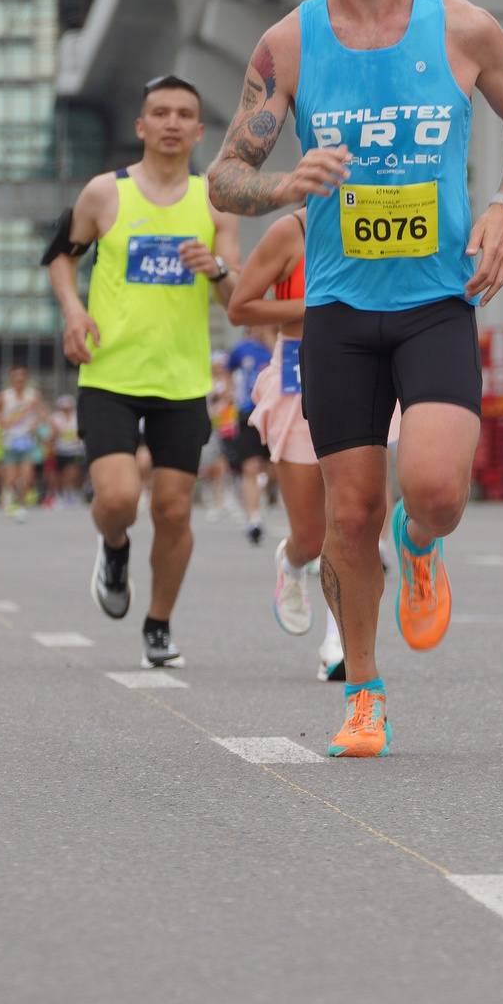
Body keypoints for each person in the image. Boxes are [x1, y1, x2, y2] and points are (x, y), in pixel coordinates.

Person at [206, 0, 503, 756]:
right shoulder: (287, 45)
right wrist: (284, 186)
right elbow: (224, 176)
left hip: (437, 298)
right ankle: (364, 693)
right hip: (341, 314)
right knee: (347, 519)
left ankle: (422, 541)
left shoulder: (464, 28)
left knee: (435, 491)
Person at [46, 76, 242, 670]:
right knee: (119, 499)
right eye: (160, 112)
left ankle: (158, 624)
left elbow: (237, 297)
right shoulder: (105, 193)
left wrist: (216, 268)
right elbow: (60, 256)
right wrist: (74, 311)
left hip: (182, 380)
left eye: (184, 113)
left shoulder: (214, 201)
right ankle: (113, 547)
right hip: (109, 373)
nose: (172, 122)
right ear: (141, 125)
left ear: (200, 130)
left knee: (174, 511)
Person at [228, 209, 344, 670]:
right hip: (298, 377)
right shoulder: (291, 231)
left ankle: (339, 643)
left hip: (360, 372)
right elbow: (241, 306)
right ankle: (293, 564)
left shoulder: (384, 209)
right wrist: (315, 307)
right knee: (312, 538)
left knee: (350, 521)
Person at [223, 326, 273, 543]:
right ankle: (254, 519)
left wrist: (269, 337)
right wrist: (229, 391)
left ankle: (264, 491)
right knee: (250, 467)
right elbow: (227, 368)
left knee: (275, 470)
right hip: (248, 413)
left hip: (276, 413)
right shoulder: (242, 349)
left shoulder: (280, 344)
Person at [0, 363, 49, 514]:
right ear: (11, 379)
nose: (19, 379)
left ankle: (22, 505)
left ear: (26, 378)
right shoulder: (5, 396)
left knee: (26, 476)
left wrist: (36, 422)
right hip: (10, 440)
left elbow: (44, 413)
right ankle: (11, 497)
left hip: (27, 440)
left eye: (22, 376)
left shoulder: (32, 396)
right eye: (16, 376)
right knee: (11, 479)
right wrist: (3, 422)